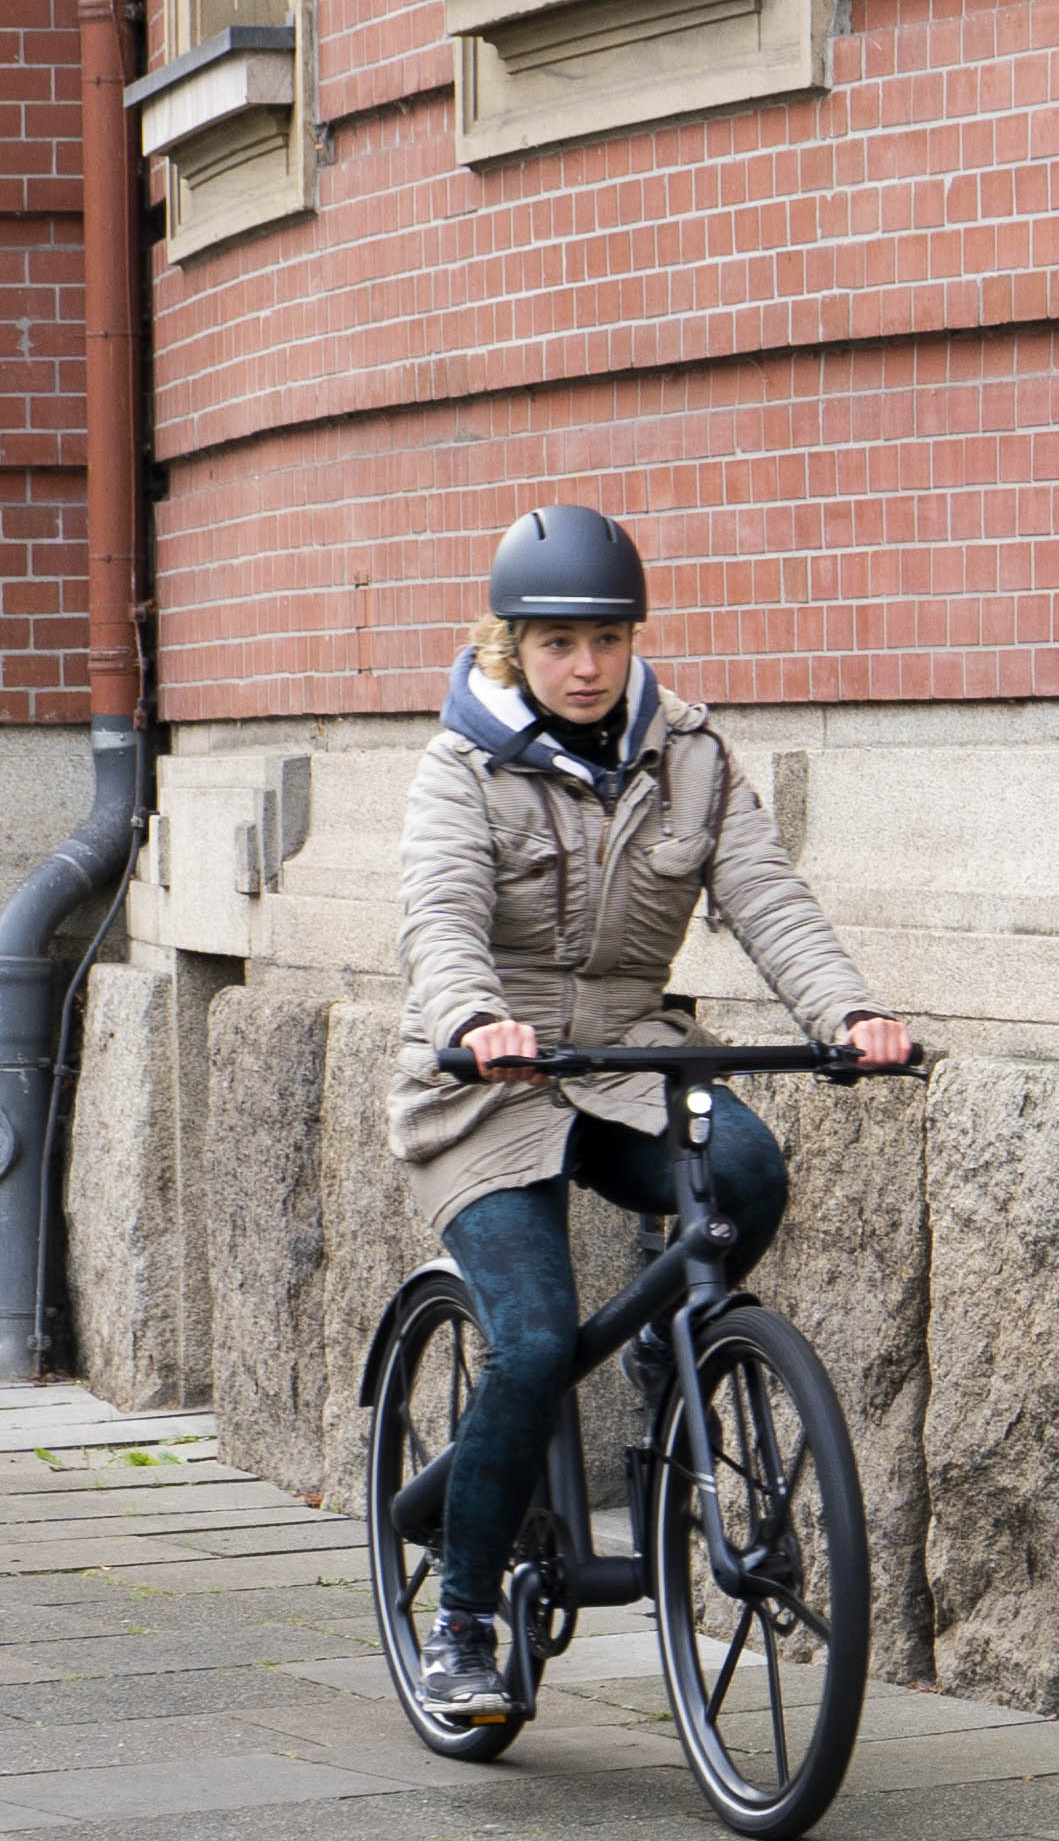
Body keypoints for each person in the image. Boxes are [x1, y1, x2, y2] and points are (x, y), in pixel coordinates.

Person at [391, 504, 913, 1721]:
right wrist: (475, 1022)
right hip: (490, 1082)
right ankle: (462, 1620)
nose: (586, 668)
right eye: (559, 644)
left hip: (628, 1060)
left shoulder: (690, 753)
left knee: (748, 1172)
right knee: (527, 1343)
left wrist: (848, 1012)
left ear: (634, 642)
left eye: (609, 641)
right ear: (512, 643)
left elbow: (767, 894)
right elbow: (441, 916)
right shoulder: (460, 768)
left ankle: (670, 1335)